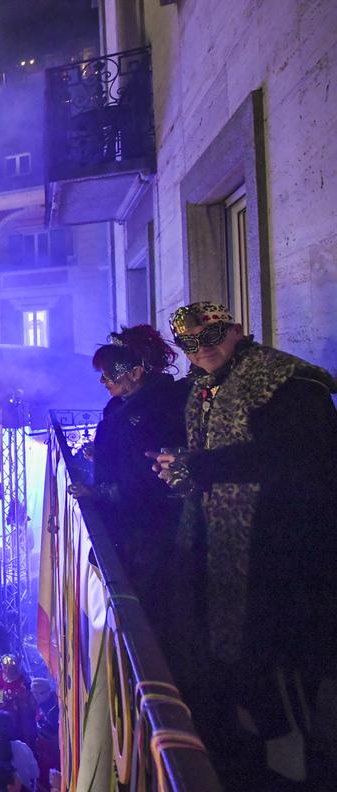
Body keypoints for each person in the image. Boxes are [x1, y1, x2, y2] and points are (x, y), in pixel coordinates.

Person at [149, 302, 337, 785]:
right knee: (243, 663)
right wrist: (186, 473)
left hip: (283, 551)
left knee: (283, 665)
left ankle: (299, 765)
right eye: (190, 343)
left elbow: (299, 459)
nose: (203, 348)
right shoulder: (206, 386)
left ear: (235, 329)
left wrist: (202, 468)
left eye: (212, 334)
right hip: (231, 550)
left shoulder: (286, 382)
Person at [76, 325, 188, 614]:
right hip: (130, 524)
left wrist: (98, 491)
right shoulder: (120, 405)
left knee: (149, 608)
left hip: (149, 530)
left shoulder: (161, 408)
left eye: (109, 373)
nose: (103, 381)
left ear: (136, 373)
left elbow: (146, 476)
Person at [0, 655, 32, 745]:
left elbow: (24, 707)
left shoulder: (23, 684)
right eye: (5, 667)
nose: (7, 670)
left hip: (13, 716)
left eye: (11, 668)